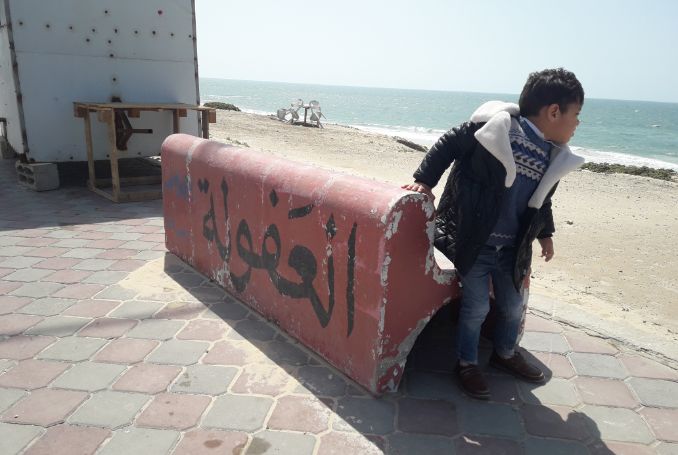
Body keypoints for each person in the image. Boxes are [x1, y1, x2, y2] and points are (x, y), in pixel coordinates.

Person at [402, 68, 585, 400]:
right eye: (576, 115)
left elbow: (541, 200)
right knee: (476, 308)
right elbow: (450, 142)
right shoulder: (498, 130)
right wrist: (424, 181)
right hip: (475, 242)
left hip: (512, 250)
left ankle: (505, 353)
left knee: (513, 306)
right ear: (554, 112)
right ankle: (467, 363)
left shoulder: (550, 155)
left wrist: (546, 234)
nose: (577, 123)